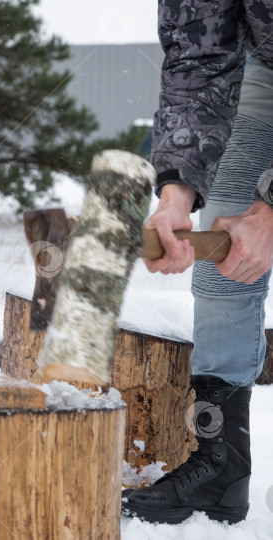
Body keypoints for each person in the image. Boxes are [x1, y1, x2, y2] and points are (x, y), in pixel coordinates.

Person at [121, 0, 273, 525]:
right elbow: (198, 62)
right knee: (228, 234)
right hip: (265, 62)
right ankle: (222, 464)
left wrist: (271, 210)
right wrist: (176, 194)